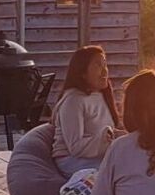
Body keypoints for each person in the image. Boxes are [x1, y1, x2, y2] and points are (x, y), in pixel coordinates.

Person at [52, 45, 123, 177]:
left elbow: (107, 134)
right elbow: (75, 147)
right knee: (121, 172)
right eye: (98, 66)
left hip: (99, 158)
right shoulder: (73, 100)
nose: (104, 72)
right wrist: (106, 139)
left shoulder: (101, 95)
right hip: (72, 161)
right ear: (82, 73)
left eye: (105, 65)